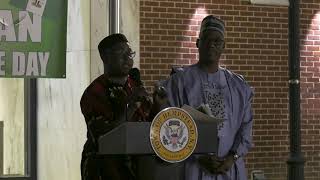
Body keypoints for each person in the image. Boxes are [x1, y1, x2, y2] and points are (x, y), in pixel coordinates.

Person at [153, 15, 254, 180]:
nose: (212, 44)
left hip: (229, 169)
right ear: (198, 43)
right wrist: (199, 156)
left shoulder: (238, 86)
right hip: (192, 167)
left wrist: (232, 157)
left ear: (224, 46)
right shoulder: (179, 81)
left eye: (217, 41)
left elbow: (246, 127)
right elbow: (167, 125)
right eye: (207, 39)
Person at [80, 33, 151, 180]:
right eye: (121, 53)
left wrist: (159, 104)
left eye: (129, 53)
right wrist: (131, 106)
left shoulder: (135, 85)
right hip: (105, 170)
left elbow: (149, 125)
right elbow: (105, 137)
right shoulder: (94, 92)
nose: (128, 58)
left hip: (138, 167)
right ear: (105, 58)